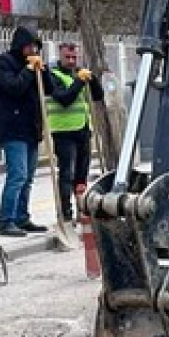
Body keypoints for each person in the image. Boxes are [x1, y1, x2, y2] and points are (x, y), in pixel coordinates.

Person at [0, 27, 54, 237]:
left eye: (36, 47)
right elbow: (13, 88)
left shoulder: (35, 65)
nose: (33, 50)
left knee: (27, 177)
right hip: (13, 129)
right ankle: (5, 220)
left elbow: (50, 89)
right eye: (29, 46)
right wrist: (28, 70)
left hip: (31, 128)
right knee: (17, 175)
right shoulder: (4, 63)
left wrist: (43, 71)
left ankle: (22, 217)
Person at [47, 42, 105, 224]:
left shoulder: (79, 73)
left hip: (82, 129)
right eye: (68, 58)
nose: (71, 61)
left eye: (74, 57)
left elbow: (98, 96)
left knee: (81, 173)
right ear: (60, 56)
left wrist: (93, 80)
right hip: (63, 131)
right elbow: (64, 98)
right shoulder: (52, 75)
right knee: (67, 173)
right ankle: (65, 213)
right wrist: (79, 81)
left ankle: (82, 209)